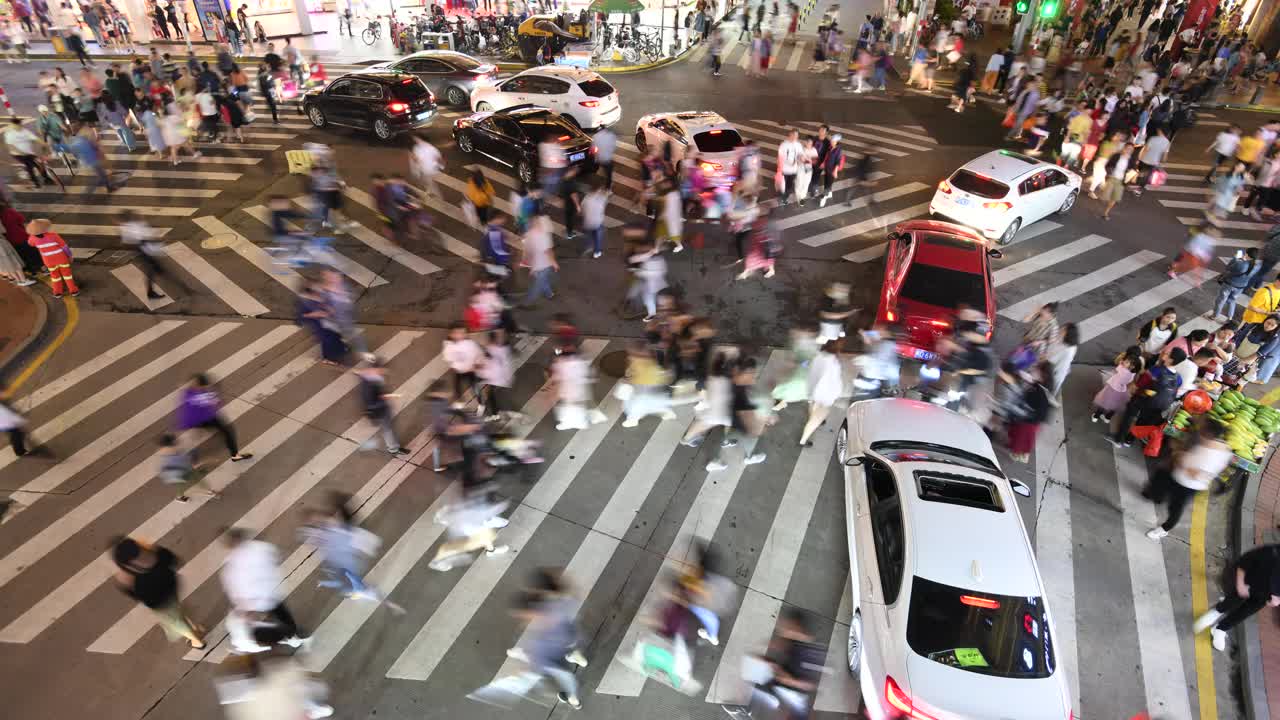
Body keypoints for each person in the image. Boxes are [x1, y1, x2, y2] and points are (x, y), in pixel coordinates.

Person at [720, 607, 822, 720]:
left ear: (798, 627)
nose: (784, 628)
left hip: (794, 693)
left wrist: (787, 679)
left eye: (789, 626)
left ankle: (750, 709)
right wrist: (768, 662)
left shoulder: (813, 651)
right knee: (753, 666)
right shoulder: (792, 640)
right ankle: (746, 708)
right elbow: (775, 648)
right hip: (781, 681)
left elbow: (811, 685)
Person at [219, 529, 309, 654]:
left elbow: (232, 589)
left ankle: (284, 637)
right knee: (282, 615)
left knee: (262, 625)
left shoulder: (230, 564)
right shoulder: (260, 548)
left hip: (255, 603)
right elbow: (277, 556)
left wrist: (244, 608)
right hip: (271, 595)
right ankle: (291, 636)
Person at [110, 536, 205, 649]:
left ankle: (197, 641)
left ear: (127, 563)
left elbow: (136, 596)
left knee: (176, 623)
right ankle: (195, 628)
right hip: (172, 589)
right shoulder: (156, 553)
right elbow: (175, 560)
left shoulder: (128, 577)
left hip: (159, 603)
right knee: (178, 611)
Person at [1146, 421, 1232, 540]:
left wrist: (1177, 452)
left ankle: (1164, 529)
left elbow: (1191, 470)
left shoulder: (1208, 454)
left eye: (1203, 430)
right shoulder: (1219, 446)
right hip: (1179, 477)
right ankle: (1154, 496)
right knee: (1162, 480)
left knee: (1175, 508)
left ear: (1209, 434)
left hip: (1188, 485)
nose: (1200, 431)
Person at [1195, 543, 1280, 652]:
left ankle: (1220, 629)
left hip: (1264, 595)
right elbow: (1245, 561)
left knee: (1244, 612)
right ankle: (1215, 612)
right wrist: (1240, 584)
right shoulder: (1271, 552)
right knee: (1231, 601)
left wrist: (1277, 598)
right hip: (1248, 581)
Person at [177, 374, 253, 462]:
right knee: (228, 431)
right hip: (206, 419)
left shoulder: (188, 392)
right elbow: (217, 401)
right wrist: (215, 391)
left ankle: (191, 458)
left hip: (190, 422)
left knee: (193, 440)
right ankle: (235, 455)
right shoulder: (203, 396)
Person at [355, 355, 405, 455]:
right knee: (388, 430)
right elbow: (371, 402)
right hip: (379, 410)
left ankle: (393, 446)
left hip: (382, 408)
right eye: (382, 370)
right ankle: (393, 449)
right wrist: (386, 398)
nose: (384, 372)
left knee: (389, 428)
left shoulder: (373, 377)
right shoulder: (368, 384)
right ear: (375, 369)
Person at [1006, 362, 1052, 463]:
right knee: (1023, 438)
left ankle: (1019, 455)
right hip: (1029, 419)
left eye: (1035, 369)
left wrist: (1014, 409)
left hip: (1028, 421)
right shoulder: (1038, 385)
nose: (1032, 370)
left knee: (1021, 439)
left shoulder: (1038, 391)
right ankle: (1020, 452)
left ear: (1042, 376)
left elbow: (1028, 407)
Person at [798, 340, 842, 446]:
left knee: (813, 411)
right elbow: (835, 380)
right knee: (815, 420)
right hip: (825, 395)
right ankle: (803, 440)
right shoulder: (834, 362)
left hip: (814, 392)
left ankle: (816, 419)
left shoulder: (817, 357)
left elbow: (810, 373)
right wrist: (837, 393)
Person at [119, 211, 169, 300]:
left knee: (154, 267)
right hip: (144, 252)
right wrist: (153, 240)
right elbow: (137, 241)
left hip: (144, 250)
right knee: (150, 272)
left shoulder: (131, 226)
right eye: (131, 215)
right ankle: (150, 292)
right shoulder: (129, 228)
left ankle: (159, 270)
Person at [25, 219, 78, 297]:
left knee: (54, 276)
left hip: (49, 262)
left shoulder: (32, 239)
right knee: (67, 275)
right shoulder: (53, 235)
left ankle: (57, 292)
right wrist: (69, 256)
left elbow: (30, 244)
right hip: (61, 259)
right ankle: (73, 290)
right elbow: (64, 247)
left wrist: (33, 234)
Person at [1092, 349, 1143, 424]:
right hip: (1121, 391)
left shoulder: (1122, 369)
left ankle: (1096, 416)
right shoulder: (1133, 374)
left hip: (1111, 388)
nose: (1124, 362)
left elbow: (1118, 364)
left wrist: (1121, 363)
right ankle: (1107, 418)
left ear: (1132, 366)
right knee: (1115, 406)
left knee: (1103, 403)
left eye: (1127, 362)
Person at [1213, 248, 1261, 322]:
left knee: (1221, 300)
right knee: (1232, 300)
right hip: (1241, 287)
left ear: (1247, 254)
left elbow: (1228, 267)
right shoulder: (1257, 266)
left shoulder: (1241, 264)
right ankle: (1229, 318)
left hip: (1229, 284)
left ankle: (1215, 316)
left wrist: (1235, 259)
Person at [522, 212, 558, 306]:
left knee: (543, 279)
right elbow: (548, 251)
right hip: (544, 265)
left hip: (536, 265)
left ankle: (549, 293)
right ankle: (527, 303)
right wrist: (554, 262)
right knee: (537, 286)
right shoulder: (543, 235)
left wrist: (529, 265)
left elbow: (527, 251)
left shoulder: (528, 235)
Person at [3, 117, 51, 188]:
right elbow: (10, 146)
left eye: (19, 125)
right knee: (29, 165)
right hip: (17, 154)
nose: (18, 127)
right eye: (15, 126)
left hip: (29, 153)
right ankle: (35, 182)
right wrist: (21, 152)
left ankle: (46, 178)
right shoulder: (9, 134)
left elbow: (36, 139)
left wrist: (44, 144)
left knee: (39, 163)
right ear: (13, 125)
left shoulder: (25, 131)